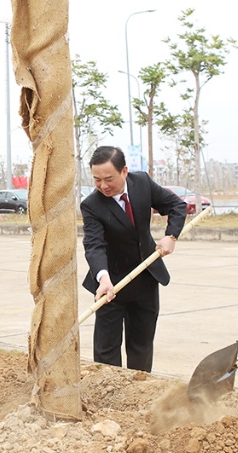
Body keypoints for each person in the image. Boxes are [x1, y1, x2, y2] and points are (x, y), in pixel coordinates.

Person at [80, 146, 187, 372]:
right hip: (111, 285)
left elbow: (176, 205)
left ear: (124, 171)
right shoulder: (92, 205)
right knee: (106, 349)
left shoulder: (143, 183)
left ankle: (138, 390)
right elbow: (94, 244)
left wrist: (171, 236)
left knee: (141, 344)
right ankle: (109, 394)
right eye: (97, 180)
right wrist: (103, 277)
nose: (103, 186)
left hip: (146, 277)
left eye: (109, 179)